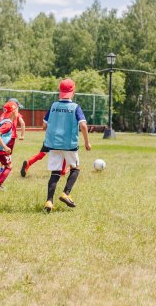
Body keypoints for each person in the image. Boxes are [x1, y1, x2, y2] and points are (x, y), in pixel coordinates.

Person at [42, 78, 91, 213]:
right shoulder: (75, 107)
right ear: (73, 92)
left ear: (60, 92)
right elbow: (83, 125)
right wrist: (87, 142)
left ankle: (49, 201)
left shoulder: (53, 106)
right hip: (69, 145)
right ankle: (66, 193)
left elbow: (44, 125)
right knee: (75, 169)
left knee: (55, 172)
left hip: (53, 144)